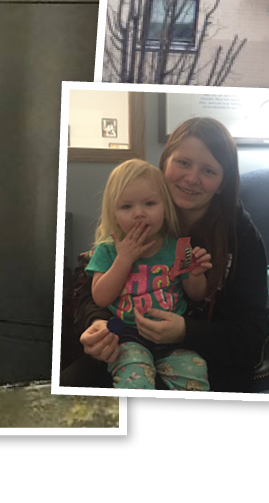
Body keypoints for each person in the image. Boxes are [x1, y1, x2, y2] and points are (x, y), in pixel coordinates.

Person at [68, 117, 269, 393]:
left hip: (203, 359)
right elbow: (91, 293)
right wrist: (97, 323)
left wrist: (186, 331)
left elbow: (251, 335)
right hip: (124, 343)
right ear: (165, 163)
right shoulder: (135, 214)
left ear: (222, 183)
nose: (192, 178)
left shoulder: (242, 237)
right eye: (183, 163)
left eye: (208, 170)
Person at [84, 159, 213, 391]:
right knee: (135, 376)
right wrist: (124, 259)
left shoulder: (179, 247)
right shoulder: (108, 250)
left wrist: (195, 274)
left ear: (165, 207)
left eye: (150, 203)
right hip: (127, 335)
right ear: (114, 214)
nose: (139, 214)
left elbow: (196, 295)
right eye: (126, 207)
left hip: (173, 338)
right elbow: (100, 298)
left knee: (195, 370)